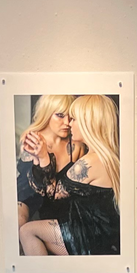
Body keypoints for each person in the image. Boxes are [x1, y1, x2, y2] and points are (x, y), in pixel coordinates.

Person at [19, 94, 120, 256]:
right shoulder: (104, 157)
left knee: (27, 231)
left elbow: (53, 193)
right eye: (63, 116)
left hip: (91, 236)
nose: (69, 124)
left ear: (88, 123)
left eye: (73, 119)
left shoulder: (87, 163)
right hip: (102, 231)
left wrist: (43, 158)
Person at [14, 94, 82, 237]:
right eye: (60, 115)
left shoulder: (76, 144)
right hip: (31, 194)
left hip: (64, 202)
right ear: (47, 113)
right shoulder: (32, 141)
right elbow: (30, 190)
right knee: (16, 223)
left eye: (71, 117)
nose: (67, 123)